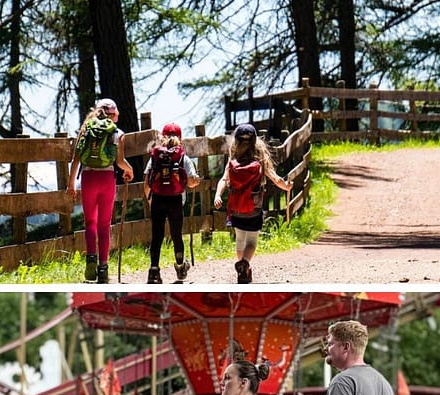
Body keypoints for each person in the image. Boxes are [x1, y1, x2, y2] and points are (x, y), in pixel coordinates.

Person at [213, 123, 293, 283]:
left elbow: (224, 179)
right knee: (251, 241)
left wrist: (217, 195)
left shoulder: (233, 159)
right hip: (254, 209)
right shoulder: (260, 158)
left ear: (236, 141)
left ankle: (242, 271)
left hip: (236, 209)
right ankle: (245, 264)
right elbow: (274, 177)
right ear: (255, 141)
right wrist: (286, 186)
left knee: (240, 239)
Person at [66, 98, 135, 284]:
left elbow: (76, 159)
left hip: (88, 178)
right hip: (107, 178)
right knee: (104, 225)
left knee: (90, 222)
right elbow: (120, 162)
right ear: (115, 114)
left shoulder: (86, 129)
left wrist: (71, 183)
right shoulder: (118, 133)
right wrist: (130, 170)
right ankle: (103, 268)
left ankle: (90, 260)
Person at [143, 123, 201, 284]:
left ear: (162, 137)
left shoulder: (155, 157)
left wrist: (150, 200)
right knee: (176, 235)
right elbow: (191, 182)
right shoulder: (183, 157)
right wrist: (196, 181)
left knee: (157, 236)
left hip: (158, 199)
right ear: (180, 138)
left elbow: (147, 183)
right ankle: (181, 267)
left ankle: (154, 271)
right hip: (176, 200)